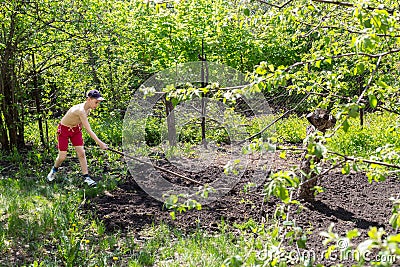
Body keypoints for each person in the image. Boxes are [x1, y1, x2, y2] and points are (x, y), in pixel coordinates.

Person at [47, 89, 108, 186]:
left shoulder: (88, 109)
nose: (97, 105)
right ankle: (54, 170)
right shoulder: (81, 110)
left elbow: (82, 123)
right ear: (88, 99)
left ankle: (86, 177)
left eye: (98, 103)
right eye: (96, 102)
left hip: (75, 130)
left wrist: (78, 132)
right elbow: (89, 129)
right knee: (62, 156)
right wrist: (100, 143)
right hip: (64, 130)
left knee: (81, 153)